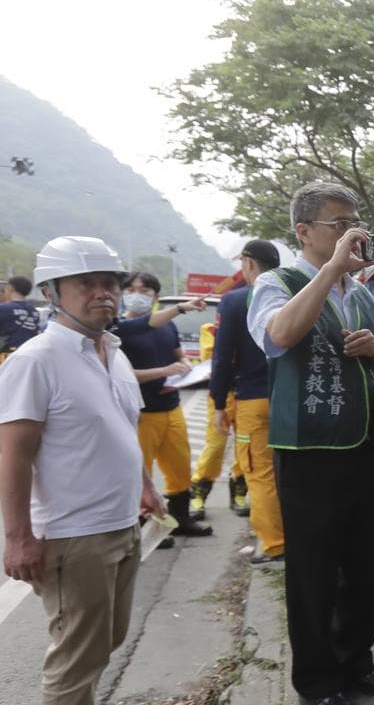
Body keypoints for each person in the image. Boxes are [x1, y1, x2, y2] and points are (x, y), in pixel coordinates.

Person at [247, 181, 374, 705]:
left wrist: (373, 349)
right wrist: (333, 270)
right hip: (308, 449)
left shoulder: (359, 292)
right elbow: (279, 336)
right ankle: (316, 682)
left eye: (353, 222)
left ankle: (356, 661)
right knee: (314, 570)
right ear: (304, 231)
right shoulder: (277, 281)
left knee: (366, 562)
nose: (351, 233)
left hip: (363, 443)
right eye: (339, 224)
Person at [0, 236, 166, 705]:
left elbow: (118, 429)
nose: (103, 293)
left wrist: (145, 486)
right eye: (85, 284)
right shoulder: (34, 361)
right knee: (77, 658)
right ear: (52, 293)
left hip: (121, 524)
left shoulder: (114, 351)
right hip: (73, 535)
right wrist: (18, 537)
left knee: (105, 641)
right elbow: (12, 455)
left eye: (109, 282)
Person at [116, 272, 213, 540]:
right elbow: (121, 374)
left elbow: (178, 355)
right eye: (131, 289)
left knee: (180, 467)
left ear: (155, 296)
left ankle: (180, 518)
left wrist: (188, 368)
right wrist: (163, 370)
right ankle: (144, 527)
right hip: (141, 413)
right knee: (140, 472)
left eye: (145, 290)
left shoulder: (167, 327)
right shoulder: (118, 330)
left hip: (171, 407)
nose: (136, 294)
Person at [210, 239, 285, 566]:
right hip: (288, 397)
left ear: (249, 264)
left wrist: (218, 402)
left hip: (253, 400)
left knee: (259, 472)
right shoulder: (292, 295)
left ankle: (275, 544)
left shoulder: (235, 301)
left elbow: (222, 357)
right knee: (287, 471)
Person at [191, 318, 250, 520]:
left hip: (248, 394)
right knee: (215, 445)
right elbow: (212, 359)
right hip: (222, 395)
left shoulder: (258, 325)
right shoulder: (210, 329)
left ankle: (239, 491)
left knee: (246, 445)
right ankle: (199, 490)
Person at [0, 275, 40, 364]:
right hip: (31, 355)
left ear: (10, 288)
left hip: (8, 355)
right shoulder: (34, 311)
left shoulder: (3, 309)